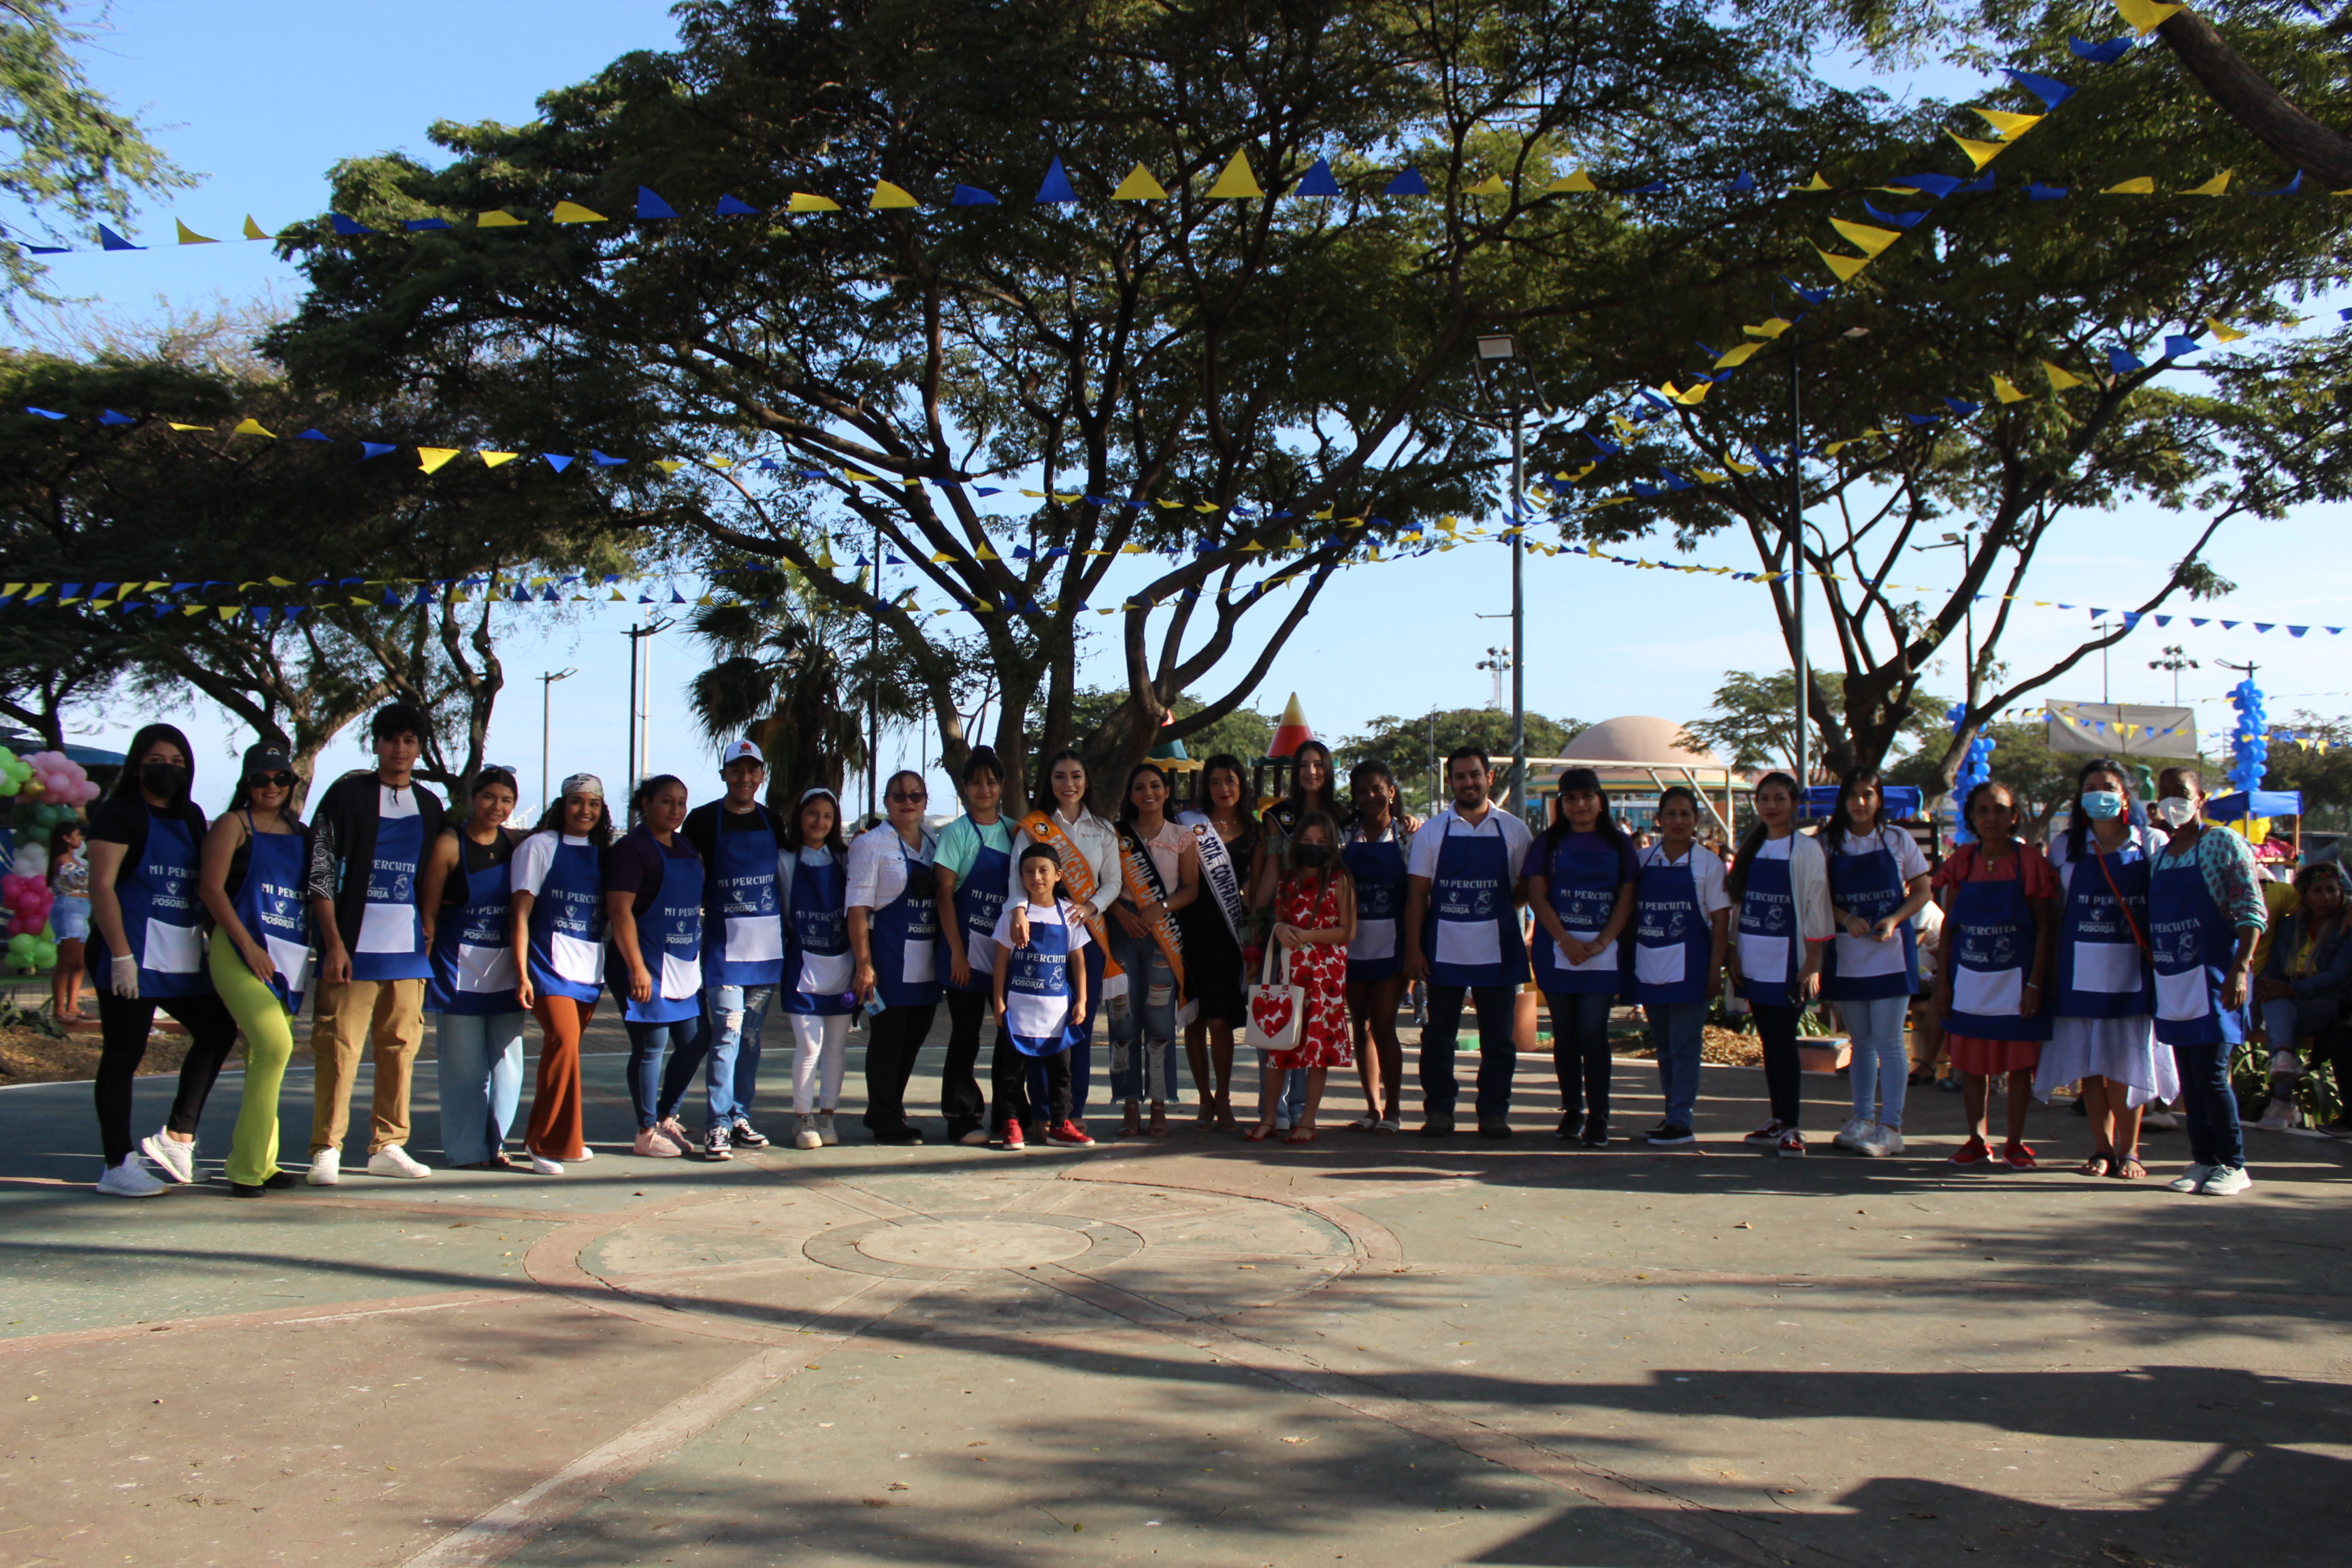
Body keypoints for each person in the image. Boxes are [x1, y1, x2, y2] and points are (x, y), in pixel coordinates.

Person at [84, 723, 241, 1196]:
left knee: (218, 1029)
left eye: (177, 763)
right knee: (124, 1054)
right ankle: (116, 1164)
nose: (167, 770)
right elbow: (101, 886)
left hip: (179, 952)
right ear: (138, 766)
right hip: (130, 953)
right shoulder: (118, 814)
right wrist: (120, 956)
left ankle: (177, 1136)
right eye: (156, 761)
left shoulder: (191, 816)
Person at [302, 703, 447, 1183]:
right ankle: (327, 1147)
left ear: (419, 748)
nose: (399, 749)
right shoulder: (346, 796)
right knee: (338, 1049)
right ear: (376, 743)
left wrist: (428, 923)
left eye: (409, 740)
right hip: (351, 950)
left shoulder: (430, 805)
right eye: (391, 739)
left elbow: (432, 874)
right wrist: (333, 943)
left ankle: (389, 1145)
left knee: (400, 1048)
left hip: (406, 953)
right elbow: (321, 869)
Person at [2036, 761, 2174, 1179]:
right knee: (2091, 1065)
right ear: (2081, 798)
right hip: (2078, 968)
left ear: (2125, 796)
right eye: (2091, 787)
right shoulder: (2065, 846)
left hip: (2132, 969)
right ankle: (2101, 1148)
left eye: (2109, 787)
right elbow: (2053, 909)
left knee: (2128, 1062)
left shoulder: (2152, 842)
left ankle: (2129, 1151)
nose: (2100, 794)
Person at [196, 742, 313, 1198]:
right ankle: (244, 1167)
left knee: (263, 1059)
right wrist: (247, 947)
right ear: (247, 784)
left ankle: (265, 1160)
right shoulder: (232, 825)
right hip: (239, 952)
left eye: (280, 778)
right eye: (261, 779)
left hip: (287, 954)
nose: (271, 786)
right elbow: (211, 889)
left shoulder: (301, 833)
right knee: (275, 1046)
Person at [1400, 745, 1535, 1139]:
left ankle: (1494, 1113)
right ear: (1451, 782)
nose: (1468, 782)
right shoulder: (1433, 832)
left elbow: (1527, 887)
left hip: (1498, 949)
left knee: (1499, 1040)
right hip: (1443, 951)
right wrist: (1413, 949)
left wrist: (1498, 908)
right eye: (1460, 776)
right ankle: (1439, 1110)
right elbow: (1417, 894)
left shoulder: (1514, 830)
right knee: (1438, 1038)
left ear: (1489, 778)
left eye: (1475, 775)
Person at [2147, 766, 2266, 1196]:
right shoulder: (2161, 858)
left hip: (2215, 978)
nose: (2172, 800)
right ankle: (2203, 1160)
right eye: (2164, 793)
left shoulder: (2222, 842)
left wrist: (2241, 968)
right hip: (2174, 982)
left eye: (2181, 792)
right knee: (2190, 1080)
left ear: (2201, 799)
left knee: (2212, 1075)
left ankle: (2233, 1164)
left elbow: (2251, 909)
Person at [1931, 781, 2059, 1169]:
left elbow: (2044, 927)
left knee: (2018, 1065)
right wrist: (1944, 983)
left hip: (2015, 983)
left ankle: (2015, 1143)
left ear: (2014, 816)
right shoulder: (1962, 861)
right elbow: (1949, 926)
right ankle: (1977, 1140)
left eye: (2000, 810)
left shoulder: (2029, 861)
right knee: (1971, 1064)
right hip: (1968, 980)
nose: (1991, 818)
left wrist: (2035, 983)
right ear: (1971, 816)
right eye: (1983, 810)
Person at [676, 740, 792, 1154]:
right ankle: (717, 1123)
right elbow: (684, 872)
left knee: (751, 1039)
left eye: (753, 770)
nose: (745, 778)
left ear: (762, 775)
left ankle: (741, 1116)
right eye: (737, 770)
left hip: (764, 950)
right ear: (724, 774)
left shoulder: (773, 821)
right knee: (727, 1033)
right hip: (723, 948)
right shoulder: (702, 820)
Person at [1818, 767, 1933, 1157]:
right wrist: (1846, 918)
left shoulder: (1898, 839)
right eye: (1853, 795)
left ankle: (1892, 1127)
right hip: (1848, 954)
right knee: (1861, 1042)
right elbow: (1816, 896)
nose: (1860, 802)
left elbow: (1923, 891)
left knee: (1889, 1041)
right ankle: (1863, 1119)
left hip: (1891, 954)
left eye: (1868, 794)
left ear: (1879, 799)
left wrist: (1895, 920)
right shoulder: (1827, 844)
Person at [419, 767, 529, 1171]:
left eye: (506, 800)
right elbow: (428, 913)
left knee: (508, 1064)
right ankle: (467, 1151)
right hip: (457, 970)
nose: (497, 807)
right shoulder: (449, 845)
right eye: (489, 797)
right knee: (463, 1068)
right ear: (472, 798)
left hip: (506, 971)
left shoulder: (517, 845)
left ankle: (496, 1143)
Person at [1525, 766, 1639, 1147]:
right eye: (1571, 798)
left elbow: (1627, 898)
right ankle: (1572, 1109)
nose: (1580, 805)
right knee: (1566, 1033)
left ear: (1600, 800)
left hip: (1602, 955)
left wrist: (1603, 942)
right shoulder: (1547, 844)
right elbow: (1537, 896)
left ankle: (1599, 1115)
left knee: (1593, 1031)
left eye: (1587, 796)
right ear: (1562, 804)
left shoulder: (1620, 844)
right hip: (1558, 952)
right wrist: (1564, 940)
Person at [1011, 750, 1123, 1135]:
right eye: (1060, 776)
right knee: (1040, 1024)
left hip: (1085, 935)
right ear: (1050, 782)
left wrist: (1091, 907)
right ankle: (1042, 1112)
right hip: (1041, 936)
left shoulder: (1103, 829)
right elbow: (1015, 876)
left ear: (1087, 780)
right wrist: (1019, 912)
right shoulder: (1034, 826)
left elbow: (1114, 881)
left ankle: (1073, 1111)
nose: (1069, 784)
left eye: (1076, 776)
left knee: (1080, 1023)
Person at [605, 776, 715, 1155]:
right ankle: (645, 1131)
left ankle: (667, 1116)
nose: (675, 810)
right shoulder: (630, 850)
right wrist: (636, 968)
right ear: (646, 804)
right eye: (667, 801)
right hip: (642, 962)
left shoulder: (685, 846)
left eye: (681, 802)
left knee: (696, 1040)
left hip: (681, 963)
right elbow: (619, 912)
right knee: (651, 1045)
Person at [1726, 771, 1833, 1156]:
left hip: (1789, 963)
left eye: (1779, 799)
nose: (1771, 806)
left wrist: (1812, 963)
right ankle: (1777, 1118)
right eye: (1764, 799)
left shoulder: (1806, 850)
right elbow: (1738, 906)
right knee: (1769, 1043)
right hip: (1753, 959)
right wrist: (1733, 952)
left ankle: (1792, 1126)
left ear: (1794, 804)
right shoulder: (1751, 849)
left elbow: (1817, 906)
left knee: (1784, 1042)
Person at [512, 775, 611, 1174]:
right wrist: (522, 972)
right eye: (576, 802)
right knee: (563, 1042)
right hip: (547, 967)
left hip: (588, 969)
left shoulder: (604, 854)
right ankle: (541, 1143)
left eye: (593, 804)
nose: (585, 811)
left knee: (567, 1054)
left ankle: (567, 1140)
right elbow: (520, 914)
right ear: (562, 805)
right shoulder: (539, 847)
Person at [1627, 785, 1729, 1147]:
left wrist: (1715, 971)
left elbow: (1720, 921)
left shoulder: (1709, 864)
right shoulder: (1642, 861)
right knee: (1665, 1047)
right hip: (1651, 964)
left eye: (1686, 814)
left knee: (1685, 1046)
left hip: (1691, 967)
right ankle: (1673, 1111)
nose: (1678, 821)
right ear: (1659, 819)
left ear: (1696, 820)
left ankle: (1682, 1120)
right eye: (1671, 814)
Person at [1246, 811, 1356, 1143]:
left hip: (1325, 979)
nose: (1314, 847)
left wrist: (1308, 936)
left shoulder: (1340, 880)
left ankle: (1308, 1120)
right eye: (1307, 840)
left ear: (1333, 846)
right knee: (1278, 1046)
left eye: (1322, 841)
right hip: (1289, 975)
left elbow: (1347, 931)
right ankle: (1269, 1117)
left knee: (1318, 1050)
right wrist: (1280, 928)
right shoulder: (1287, 881)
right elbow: (1280, 919)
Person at [1249, 740, 1339, 1129]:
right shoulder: (1278, 816)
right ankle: (1273, 1112)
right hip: (1284, 928)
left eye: (1318, 764)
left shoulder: (1343, 814)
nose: (1311, 772)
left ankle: (1303, 1109)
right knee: (1275, 1014)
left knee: (1313, 1023)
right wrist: (1256, 920)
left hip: (1326, 936)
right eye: (1304, 764)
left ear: (1328, 769)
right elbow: (1272, 868)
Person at [849, 769, 942, 1145]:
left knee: (914, 1037)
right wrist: (864, 964)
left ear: (925, 801)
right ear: (886, 802)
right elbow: (857, 908)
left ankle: (885, 1107)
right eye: (899, 796)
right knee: (888, 1040)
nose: (908, 802)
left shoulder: (934, 842)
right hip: (888, 956)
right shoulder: (871, 844)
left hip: (926, 957)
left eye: (916, 795)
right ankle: (886, 1121)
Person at [1111, 762, 1199, 1137]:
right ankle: (1129, 1102)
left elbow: (1190, 889)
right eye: (1139, 787)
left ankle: (1160, 1103)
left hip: (1163, 932)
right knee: (1122, 1019)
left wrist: (1159, 908)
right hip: (1122, 931)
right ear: (1131, 795)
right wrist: (1121, 913)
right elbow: (1103, 884)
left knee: (1160, 1021)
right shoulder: (1115, 835)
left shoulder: (1182, 836)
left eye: (1154, 786)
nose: (1147, 793)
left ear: (1166, 791)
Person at [934, 749, 1015, 1147]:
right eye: (977, 782)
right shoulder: (956, 834)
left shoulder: (1016, 831)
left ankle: (1008, 1113)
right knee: (965, 1035)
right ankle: (961, 1116)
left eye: (992, 782)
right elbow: (944, 895)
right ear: (965, 788)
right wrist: (957, 953)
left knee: (1009, 1032)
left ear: (1002, 786)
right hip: (965, 950)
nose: (985, 789)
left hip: (1004, 953)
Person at [990, 843, 1093, 1147]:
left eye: (1043, 870)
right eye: (1029, 871)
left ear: (1058, 875)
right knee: (1012, 1073)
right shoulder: (1012, 916)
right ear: (1020, 877)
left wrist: (1082, 1000)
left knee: (1061, 1072)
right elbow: (1001, 960)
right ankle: (1011, 1125)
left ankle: (1061, 1124)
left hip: (1056, 1011)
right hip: (1018, 1008)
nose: (1036, 877)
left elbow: (1078, 960)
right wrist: (998, 1001)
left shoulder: (1068, 914)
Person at [1176, 753, 1256, 1130]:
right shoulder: (1189, 825)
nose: (1223, 789)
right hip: (1191, 932)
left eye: (1230, 781)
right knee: (1195, 1019)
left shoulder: (1256, 830)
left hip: (1230, 937)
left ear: (1241, 784)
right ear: (1205, 787)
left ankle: (1223, 1098)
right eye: (1215, 782)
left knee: (1221, 1022)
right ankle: (1204, 1100)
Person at [2248, 861, 2351, 1131]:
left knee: (2280, 1014)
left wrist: (2291, 990)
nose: (2326, 898)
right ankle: (2284, 1060)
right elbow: (2274, 967)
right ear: (2304, 894)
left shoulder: (2347, 924)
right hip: (2291, 1000)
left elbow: (2338, 975)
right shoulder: (2290, 925)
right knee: (2274, 1002)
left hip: (2332, 1002)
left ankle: (2283, 1100)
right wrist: (2267, 985)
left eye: (2332, 890)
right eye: (2318, 890)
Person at [779, 787, 853, 1150]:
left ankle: (828, 1115)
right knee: (809, 1045)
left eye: (827, 816)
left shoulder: (845, 859)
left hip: (841, 965)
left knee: (836, 1047)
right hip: (802, 965)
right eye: (812, 814)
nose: (819, 822)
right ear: (799, 817)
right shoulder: (784, 860)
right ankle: (802, 1117)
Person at [1341, 760, 1413, 1133]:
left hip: (1393, 944)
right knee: (1361, 1025)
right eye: (1361, 791)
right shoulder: (1344, 835)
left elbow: (1420, 892)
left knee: (1384, 1025)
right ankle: (1373, 1108)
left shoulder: (1408, 836)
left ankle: (1395, 1110)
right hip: (1352, 945)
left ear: (1391, 792)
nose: (1369, 797)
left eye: (1376, 789)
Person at [48, 819, 89, 1022]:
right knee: (66, 962)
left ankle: (73, 1006)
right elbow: (76, 879)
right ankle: (59, 1009)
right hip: (69, 909)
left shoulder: (78, 861)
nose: (80, 838)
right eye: (77, 834)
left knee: (80, 963)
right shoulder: (62, 861)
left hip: (83, 910)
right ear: (66, 838)